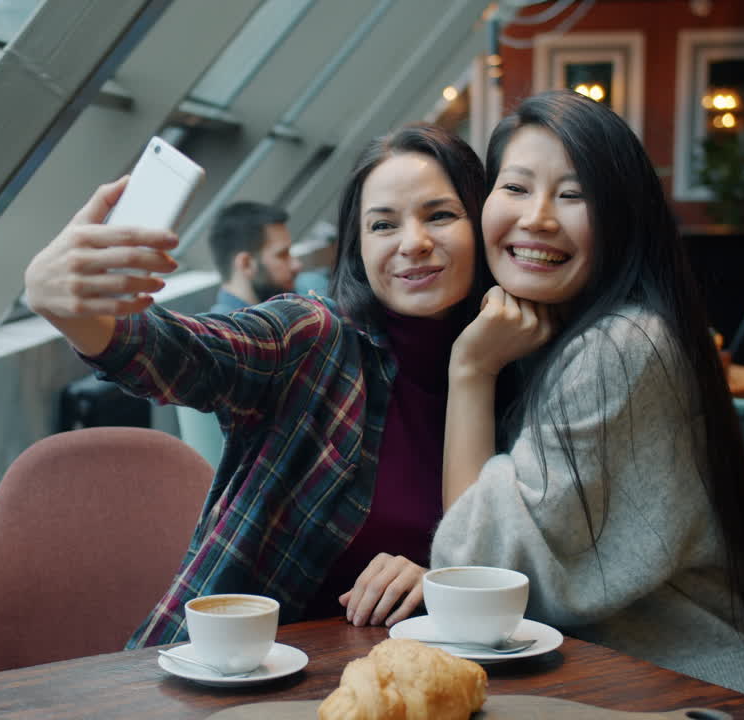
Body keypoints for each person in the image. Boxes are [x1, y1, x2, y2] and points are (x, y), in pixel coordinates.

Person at [24, 123, 490, 646]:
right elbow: (189, 354)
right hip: (237, 679)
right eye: (383, 225)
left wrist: (439, 578)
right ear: (357, 248)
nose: (414, 243)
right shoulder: (316, 339)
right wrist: (75, 312)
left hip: (415, 683)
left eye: (440, 215)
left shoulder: (515, 370)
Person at [431, 90, 744, 704]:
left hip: (677, 687)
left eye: (574, 195)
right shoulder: (547, 330)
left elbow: (482, 570)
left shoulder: (624, 346)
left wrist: (470, 370)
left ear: (622, 217)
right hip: (599, 679)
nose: (539, 218)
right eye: (517, 187)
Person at [206, 201, 303, 314]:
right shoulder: (229, 329)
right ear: (246, 264)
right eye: (282, 255)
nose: (297, 265)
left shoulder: (271, 315)